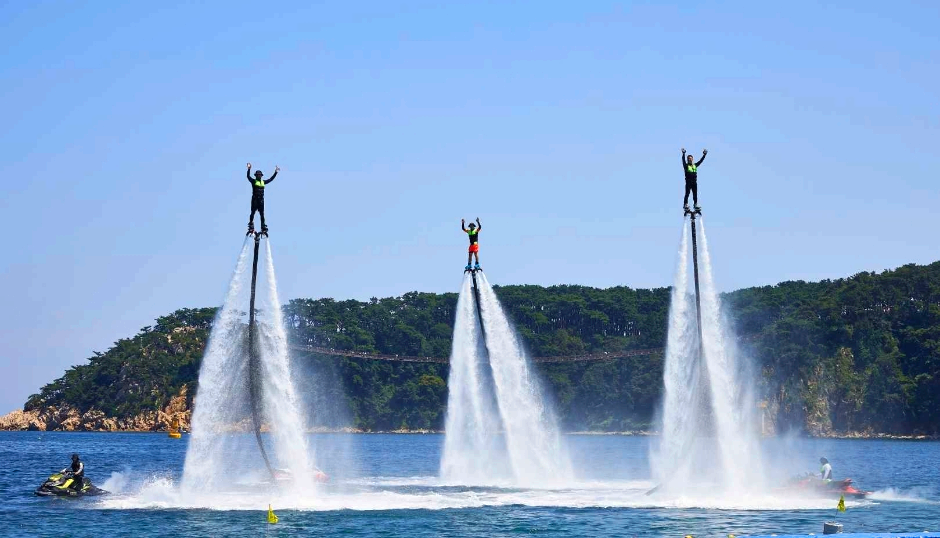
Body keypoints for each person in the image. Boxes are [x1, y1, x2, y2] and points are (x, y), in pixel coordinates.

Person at [246, 162, 279, 235]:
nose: (259, 176)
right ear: (256, 176)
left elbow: (270, 179)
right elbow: (248, 177)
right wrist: (249, 169)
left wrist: (275, 172)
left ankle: (263, 226)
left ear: (261, 176)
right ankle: (251, 223)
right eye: (257, 175)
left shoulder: (263, 182)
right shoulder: (254, 181)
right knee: (252, 213)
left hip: (261, 200)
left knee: (262, 214)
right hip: (255, 200)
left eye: (260, 175)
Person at [681, 147, 707, 212]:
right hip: (688, 182)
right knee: (687, 193)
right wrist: (683, 154)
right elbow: (683, 161)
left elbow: (700, 161)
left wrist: (704, 155)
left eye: (691, 158)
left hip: (694, 182)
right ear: (687, 160)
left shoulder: (695, 165)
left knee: (695, 194)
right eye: (689, 159)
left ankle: (695, 204)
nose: (690, 159)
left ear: (692, 159)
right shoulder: (686, 166)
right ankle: (685, 204)